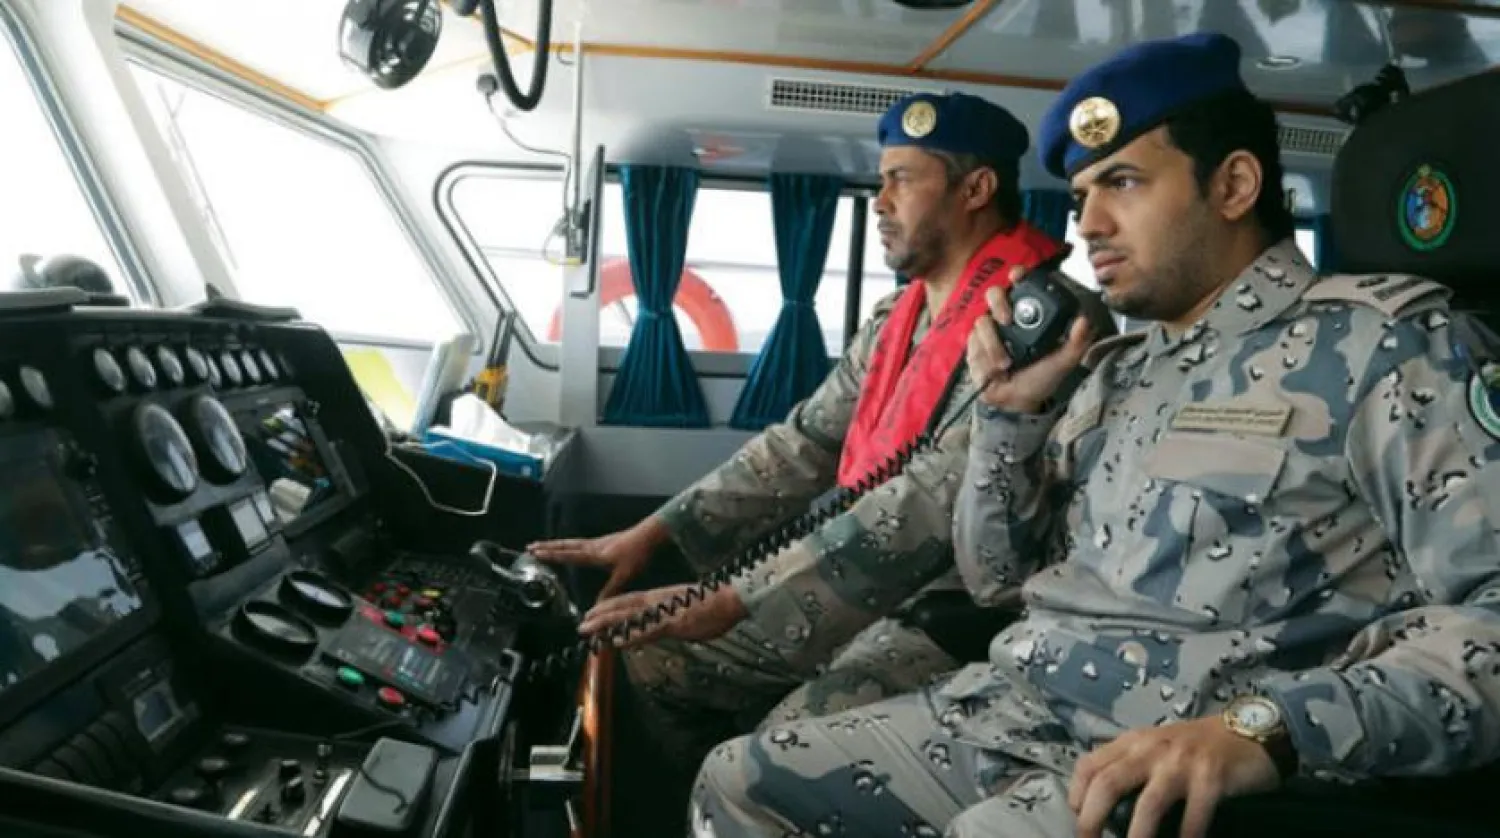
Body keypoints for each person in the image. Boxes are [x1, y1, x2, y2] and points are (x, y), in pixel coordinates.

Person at [688, 31, 1500, 838]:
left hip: (1170, 754)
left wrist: (1267, 729)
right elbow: (996, 577)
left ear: (1235, 185)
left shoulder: (1386, 347)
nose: (1090, 225)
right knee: (740, 779)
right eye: (1080, 198)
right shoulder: (1116, 369)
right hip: (1013, 711)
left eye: (1122, 182)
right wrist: (1008, 415)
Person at [529, 91, 1110, 777]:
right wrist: (656, 533)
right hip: (848, 585)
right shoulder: (900, 317)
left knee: (785, 746)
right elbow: (802, 442)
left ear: (976, 188)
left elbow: (929, 502)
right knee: (647, 658)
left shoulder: (1046, 325)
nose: (879, 199)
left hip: (954, 616)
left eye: (902, 177)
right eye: (881, 177)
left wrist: (732, 600)